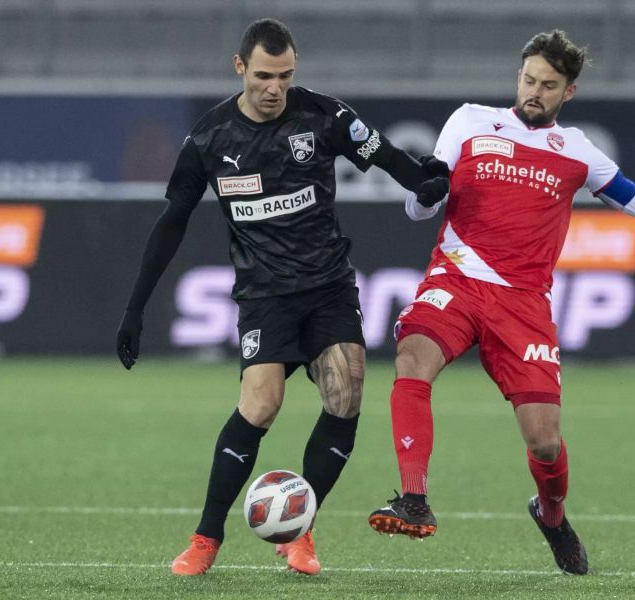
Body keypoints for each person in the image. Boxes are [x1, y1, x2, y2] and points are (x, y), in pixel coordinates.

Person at [367, 30, 635, 575]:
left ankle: (551, 514)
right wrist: (422, 194)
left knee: (544, 443)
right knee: (412, 359)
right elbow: (422, 205)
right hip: (457, 281)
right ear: (518, 75)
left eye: (548, 85)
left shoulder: (578, 152)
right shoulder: (468, 121)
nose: (533, 92)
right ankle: (413, 498)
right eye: (528, 79)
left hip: (523, 304)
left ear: (569, 92)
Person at [115, 18, 448, 577]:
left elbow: (382, 152)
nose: (275, 88)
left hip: (328, 288)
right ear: (240, 66)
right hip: (265, 296)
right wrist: (135, 307)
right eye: (265, 76)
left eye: (286, 76)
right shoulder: (209, 138)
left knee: (345, 395)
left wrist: (422, 181)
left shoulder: (322, 114)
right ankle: (206, 537)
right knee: (262, 404)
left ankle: (301, 531)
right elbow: (171, 222)